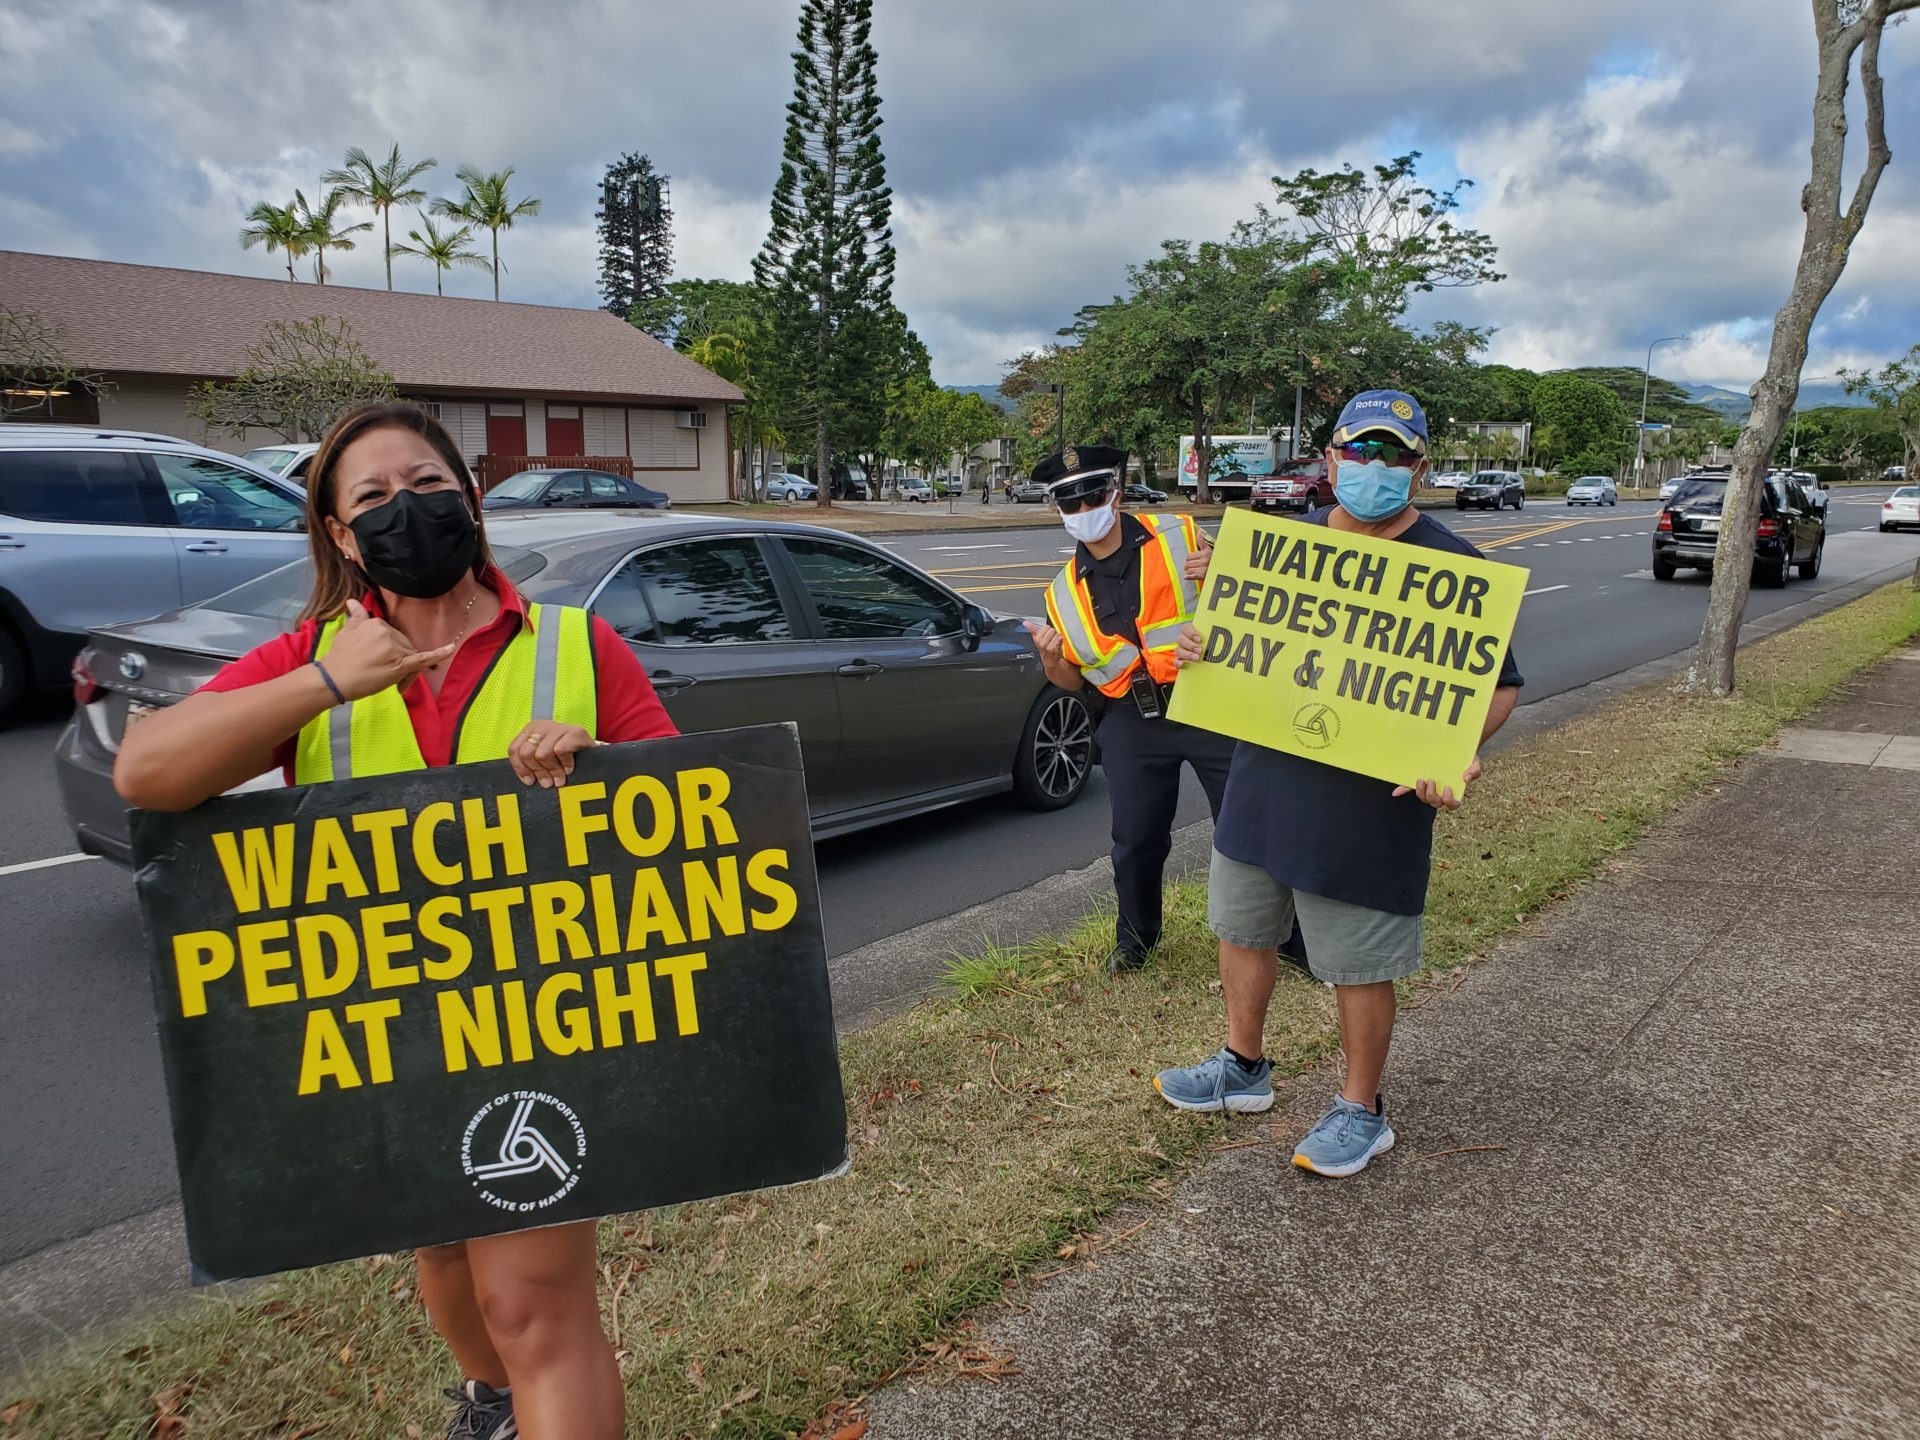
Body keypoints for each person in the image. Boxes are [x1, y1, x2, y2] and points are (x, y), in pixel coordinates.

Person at [115, 401, 676, 1440]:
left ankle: (524, 1390)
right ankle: (494, 1399)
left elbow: (692, 827)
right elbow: (147, 775)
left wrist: (593, 772)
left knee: (534, 1301)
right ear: (337, 534)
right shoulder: (310, 659)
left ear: (468, 496)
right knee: (449, 1263)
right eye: (371, 497)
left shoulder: (575, 646)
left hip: (539, 1017)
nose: (404, 510)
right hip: (390, 1032)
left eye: (425, 485)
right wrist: (328, 681)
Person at [1153, 391, 1524, 1178]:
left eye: (1394, 456)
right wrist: (1196, 644)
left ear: (1420, 469)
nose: (1375, 469)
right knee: (1241, 925)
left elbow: (1498, 688)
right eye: (1360, 452)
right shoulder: (1279, 550)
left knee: (1358, 960)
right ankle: (1242, 1066)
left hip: (1369, 802)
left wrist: (1455, 751)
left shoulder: (1455, 566)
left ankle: (1362, 1107)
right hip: (1263, 784)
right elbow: (1227, 646)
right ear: (1329, 461)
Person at [1024, 444, 1237, 974]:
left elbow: (1247, 597)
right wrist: (1053, 666)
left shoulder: (1181, 536)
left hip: (1207, 700)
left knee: (1245, 827)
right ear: (1058, 510)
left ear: (1114, 493)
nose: (1083, 510)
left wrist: (1224, 571)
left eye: (1091, 495)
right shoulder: (1060, 595)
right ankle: (1135, 941)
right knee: (1135, 838)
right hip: (1130, 720)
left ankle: (1283, 935)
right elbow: (1074, 677)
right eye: (1069, 503)